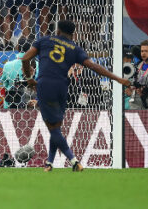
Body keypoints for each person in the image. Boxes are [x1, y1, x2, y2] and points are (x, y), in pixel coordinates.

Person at [21, 20, 130, 171]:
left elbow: (26, 58)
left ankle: (74, 161)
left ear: (58, 31)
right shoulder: (75, 49)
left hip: (45, 85)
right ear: (73, 34)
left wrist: (28, 78)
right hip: (62, 87)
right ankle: (49, 163)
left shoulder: (44, 40)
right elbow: (94, 66)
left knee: (52, 128)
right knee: (56, 126)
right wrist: (117, 78)